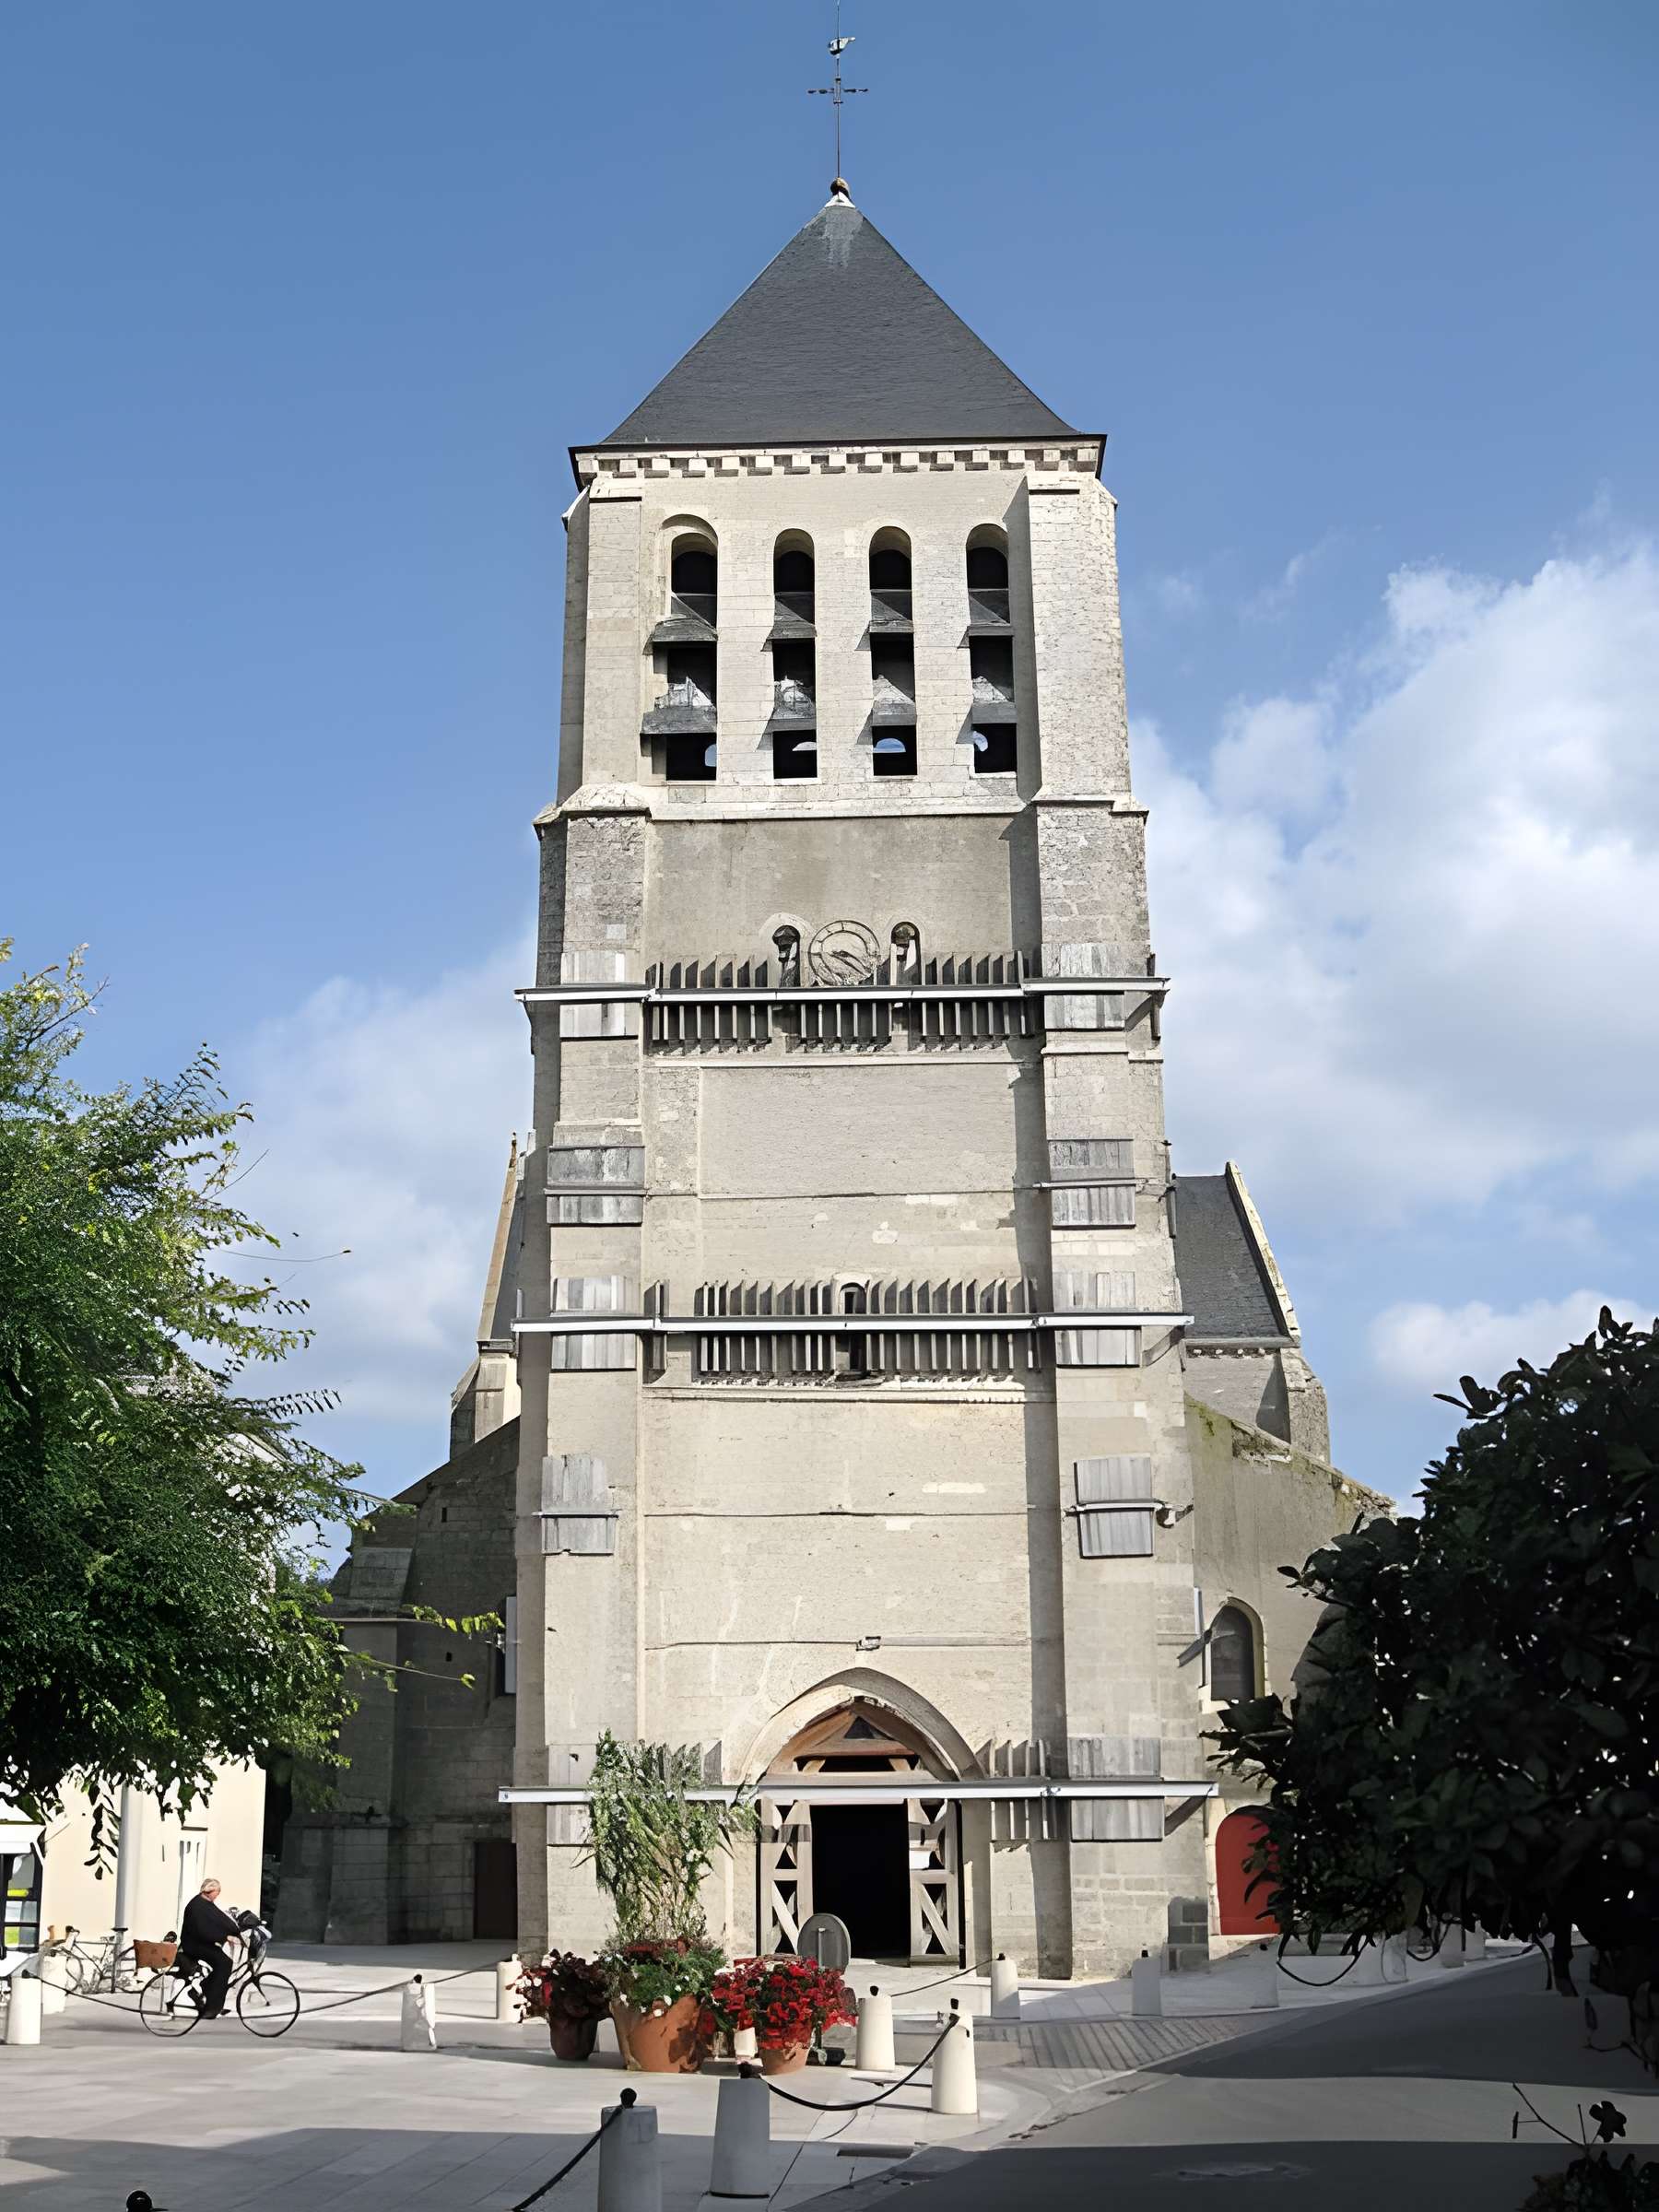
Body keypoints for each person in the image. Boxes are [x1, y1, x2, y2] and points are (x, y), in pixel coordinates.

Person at [177, 1877, 240, 2018]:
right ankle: (211, 2006)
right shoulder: (197, 1906)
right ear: (209, 1891)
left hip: (203, 1943)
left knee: (224, 1963)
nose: (218, 1895)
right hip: (194, 1945)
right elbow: (202, 1930)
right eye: (217, 1892)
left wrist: (235, 1930)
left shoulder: (207, 1903)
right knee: (224, 1964)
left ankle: (207, 1988)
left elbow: (220, 1919)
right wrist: (225, 1937)